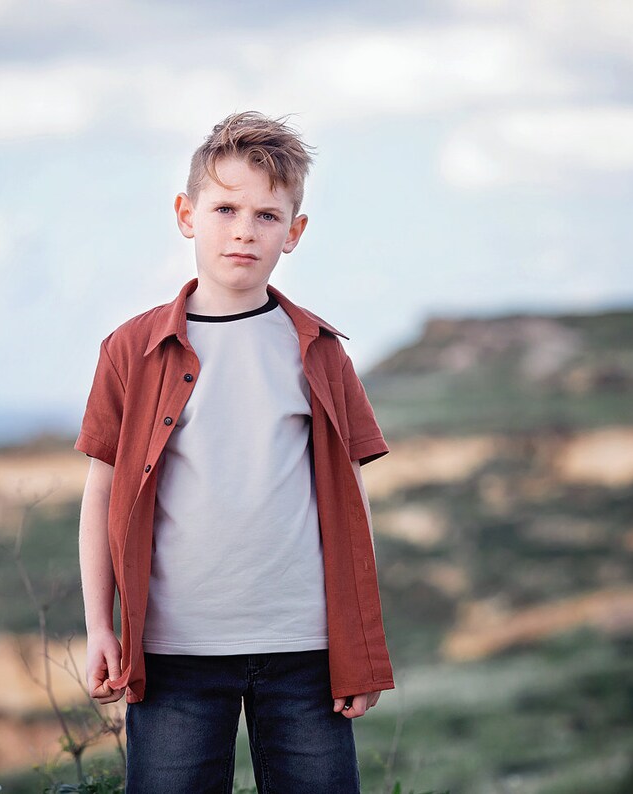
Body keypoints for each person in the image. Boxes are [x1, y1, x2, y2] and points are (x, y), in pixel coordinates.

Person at [75, 110, 395, 793]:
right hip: (173, 656)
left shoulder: (321, 350)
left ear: (294, 232)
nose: (244, 229)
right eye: (225, 208)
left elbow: (350, 501)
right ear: (187, 214)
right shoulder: (130, 349)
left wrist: (360, 650)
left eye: (267, 215)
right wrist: (99, 625)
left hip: (305, 652)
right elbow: (101, 491)